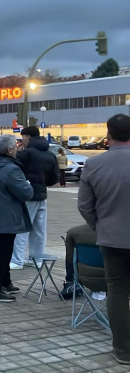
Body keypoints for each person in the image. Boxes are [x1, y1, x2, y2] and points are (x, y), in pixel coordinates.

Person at [78, 113, 130, 365]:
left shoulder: (94, 164)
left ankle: (123, 350)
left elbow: (85, 206)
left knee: (117, 290)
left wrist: (100, 227)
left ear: (108, 135)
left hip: (111, 239)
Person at [0, 134, 34, 302]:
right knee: (0, 253)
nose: (17, 149)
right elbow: (27, 193)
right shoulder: (10, 169)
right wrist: (27, 184)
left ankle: (4, 281)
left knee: (2, 251)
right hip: (4, 218)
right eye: (15, 147)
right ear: (10, 150)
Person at [10, 126, 59, 270]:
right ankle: (37, 259)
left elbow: (14, 171)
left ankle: (17, 260)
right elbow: (54, 178)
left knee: (22, 227)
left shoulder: (26, 153)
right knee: (39, 229)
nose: (22, 140)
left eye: (23, 136)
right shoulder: (50, 154)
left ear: (28, 137)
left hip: (27, 195)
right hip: (42, 194)